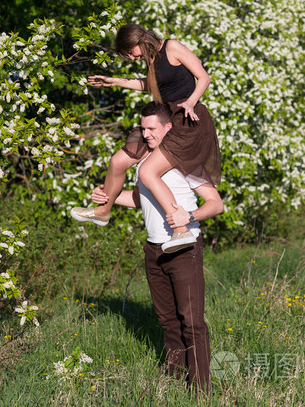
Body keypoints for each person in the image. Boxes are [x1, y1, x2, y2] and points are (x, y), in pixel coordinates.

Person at [90, 102, 223, 393]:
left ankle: (202, 389)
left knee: (191, 321)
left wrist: (189, 216)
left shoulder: (188, 162)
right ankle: (175, 381)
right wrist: (107, 198)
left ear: (168, 128)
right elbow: (140, 199)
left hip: (184, 249)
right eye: (143, 128)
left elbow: (216, 204)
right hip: (153, 249)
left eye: (152, 128)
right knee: (167, 320)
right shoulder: (145, 165)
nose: (145, 134)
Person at [70, 24, 221, 253]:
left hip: (186, 120)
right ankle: (103, 211)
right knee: (118, 161)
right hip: (164, 117)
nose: (131, 57)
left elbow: (204, 78)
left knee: (148, 172)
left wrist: (190, 101)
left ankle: (181, 229)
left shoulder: (172, 47)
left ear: (141, 40)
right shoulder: (151, 61)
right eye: (128, 55)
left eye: (131, 52)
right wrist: (115, 81)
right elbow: (148, 85)